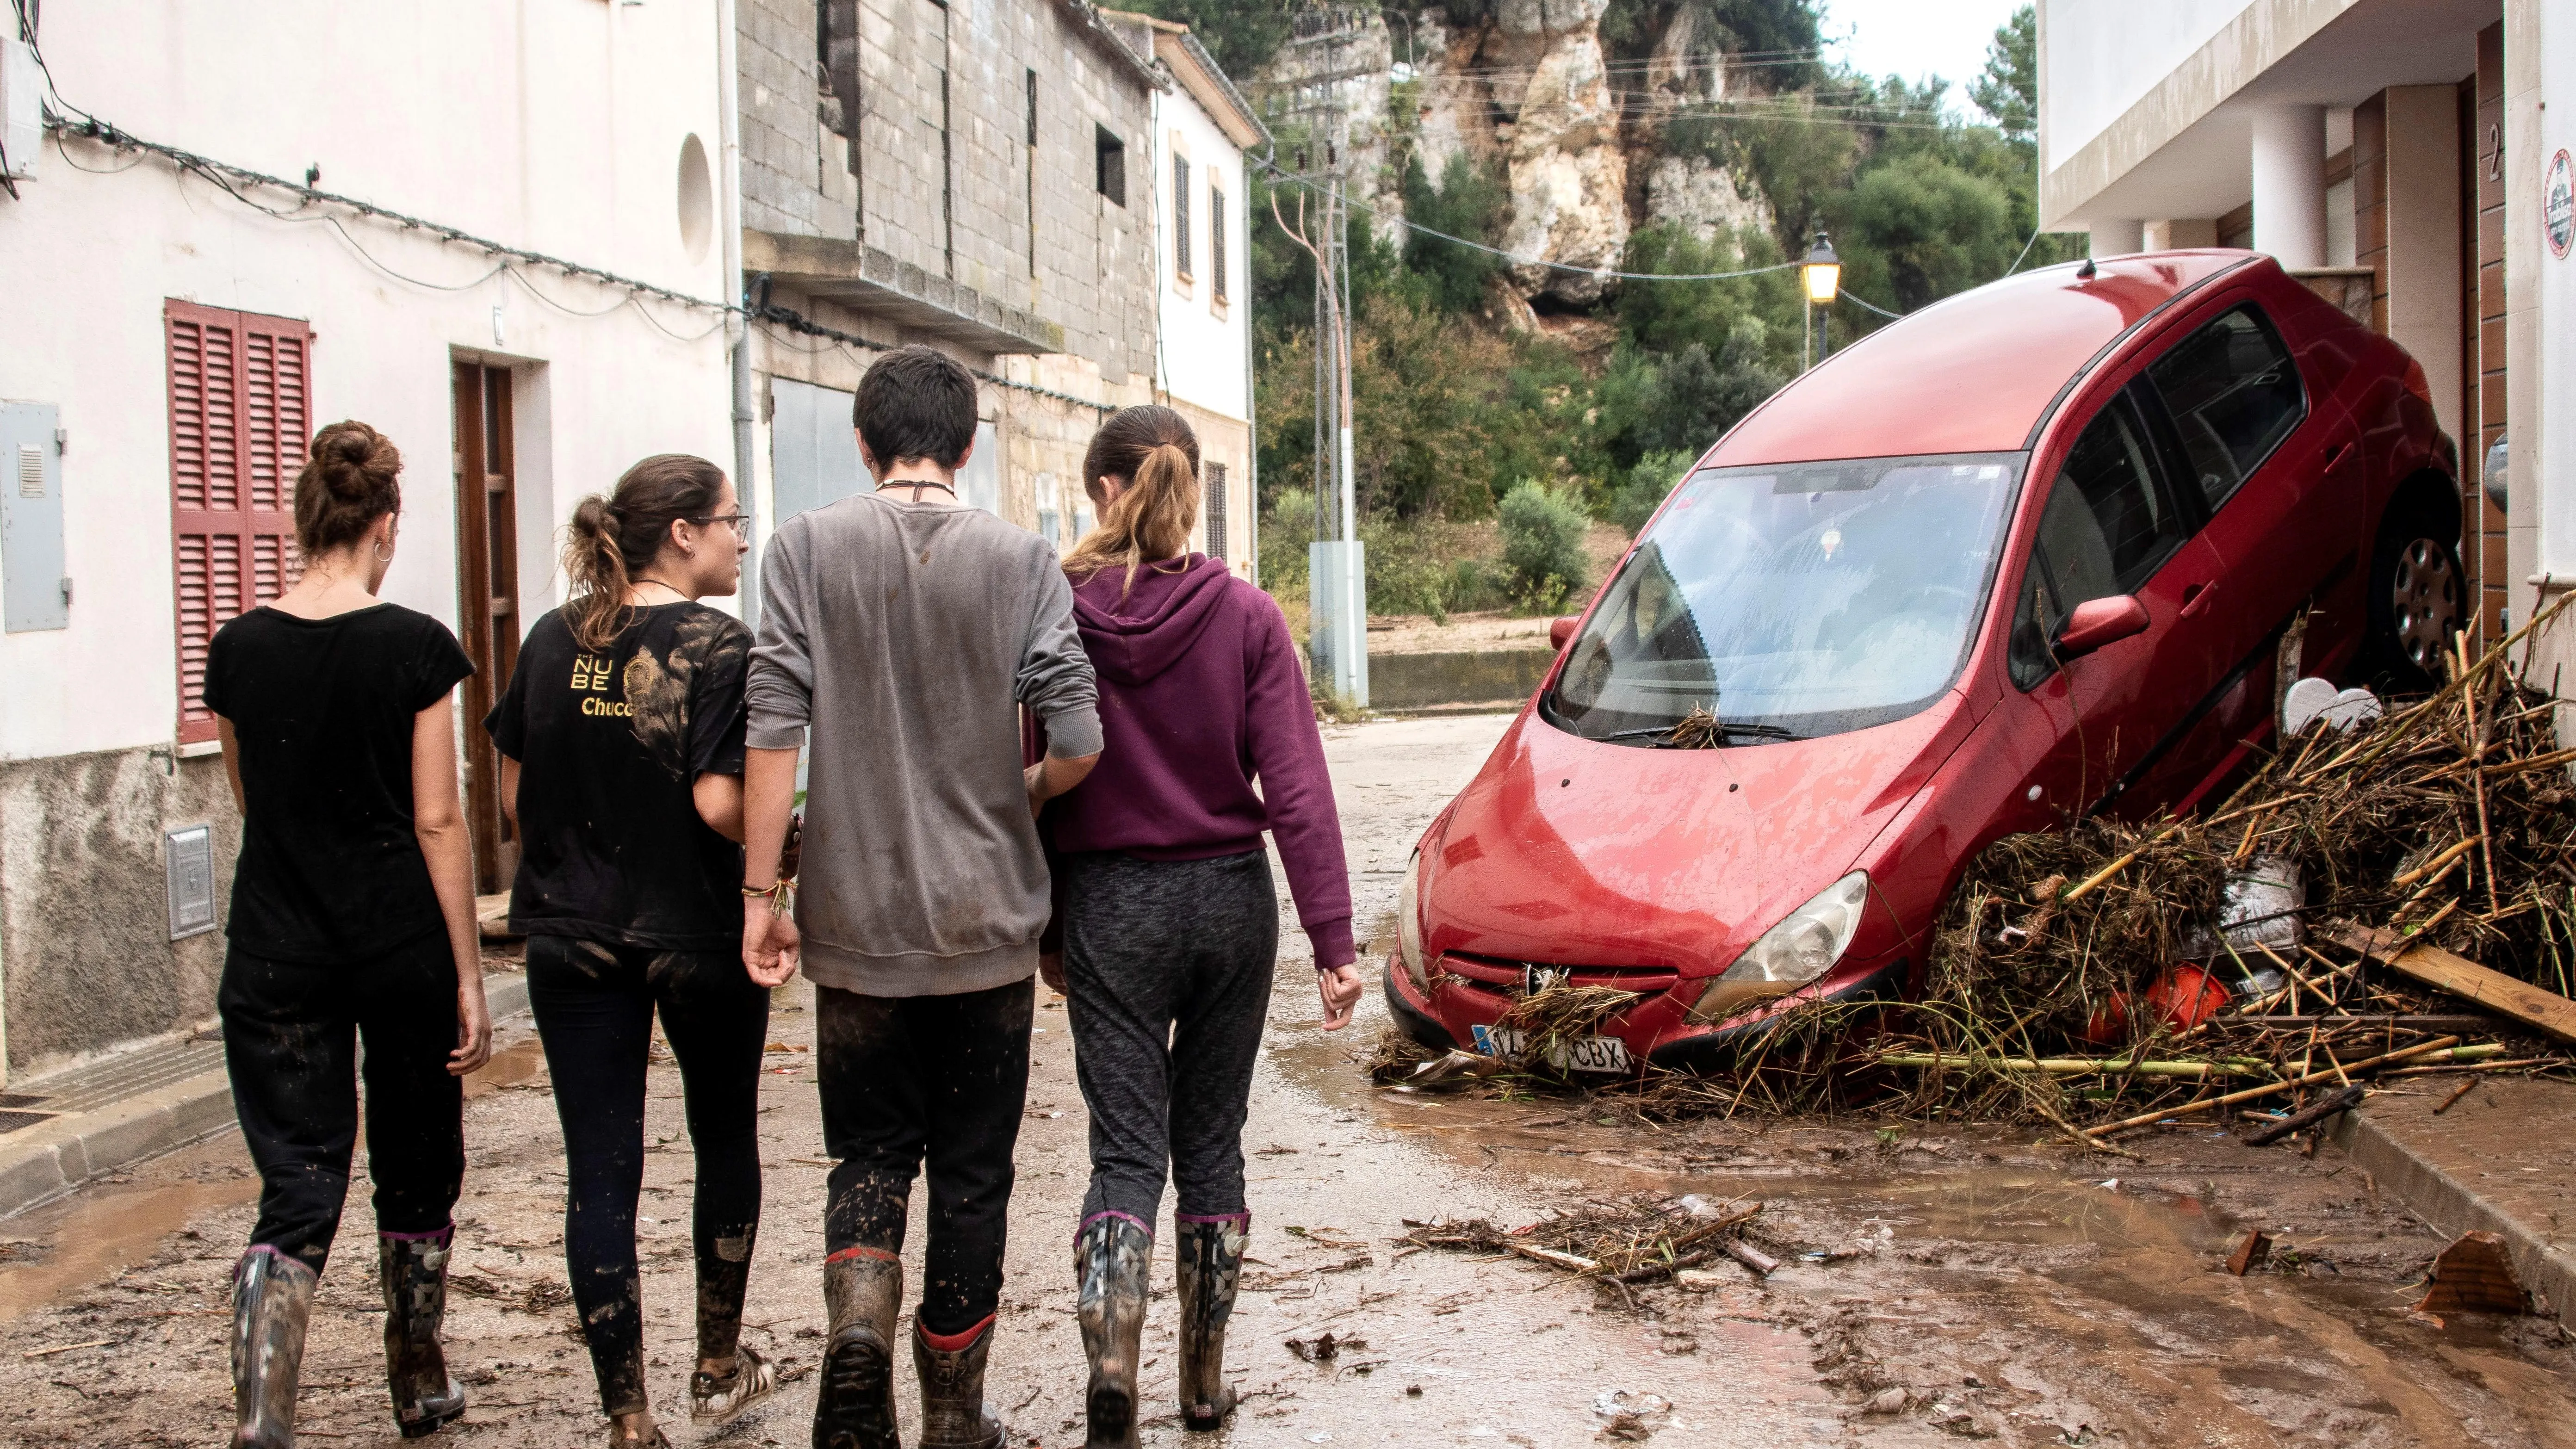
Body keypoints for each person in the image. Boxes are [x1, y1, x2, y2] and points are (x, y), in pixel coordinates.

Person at [739, 345, 1102, 1449]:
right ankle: (953, 1418)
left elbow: (772, 732)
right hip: (988, 935)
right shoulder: (1022, 560)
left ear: (863, 442)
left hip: (854, 930)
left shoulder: (801, 551)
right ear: (969, 446)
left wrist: (765, 891)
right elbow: (1081, 738)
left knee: (871, 1156)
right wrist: (1021, 793)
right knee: (976, 1178)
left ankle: (858, 1332)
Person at [1038, 406, 1359, 1446]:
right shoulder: (1250, 617)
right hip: (1230, 900)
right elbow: (1299, 788)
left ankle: (1113, 1367)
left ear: (1103, 489)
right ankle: (1205, 1385)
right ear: (1187, 487)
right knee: (1211, 1141)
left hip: (1111, 905)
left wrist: (1043, 923)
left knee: (1126, 1151)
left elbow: (1026, 780)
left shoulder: (1059, 611)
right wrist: (1335, 941)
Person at [206, 420, 490, 1447]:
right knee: (417, 1161)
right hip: (396, 944)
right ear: (386, 527)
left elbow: (250, 797)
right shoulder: (414, 647)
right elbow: (438, 819)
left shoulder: (234, 651)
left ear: (303, 521)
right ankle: (417, 1376)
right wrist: (468, 971)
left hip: (275, 944)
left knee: (299, 1176)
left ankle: (264, 1410)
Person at [483, 455, 777, 1448]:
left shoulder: (550, 640)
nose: (744, 537)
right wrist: (788, 839)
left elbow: (520, 786)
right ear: (684, 533)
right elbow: (718, 803)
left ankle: (627, 1412)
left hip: (571, 935)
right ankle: (717, 1366)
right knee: (722, 1138)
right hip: (694, 931)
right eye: (733, 521)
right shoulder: (718, 644)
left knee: (599, 1171)